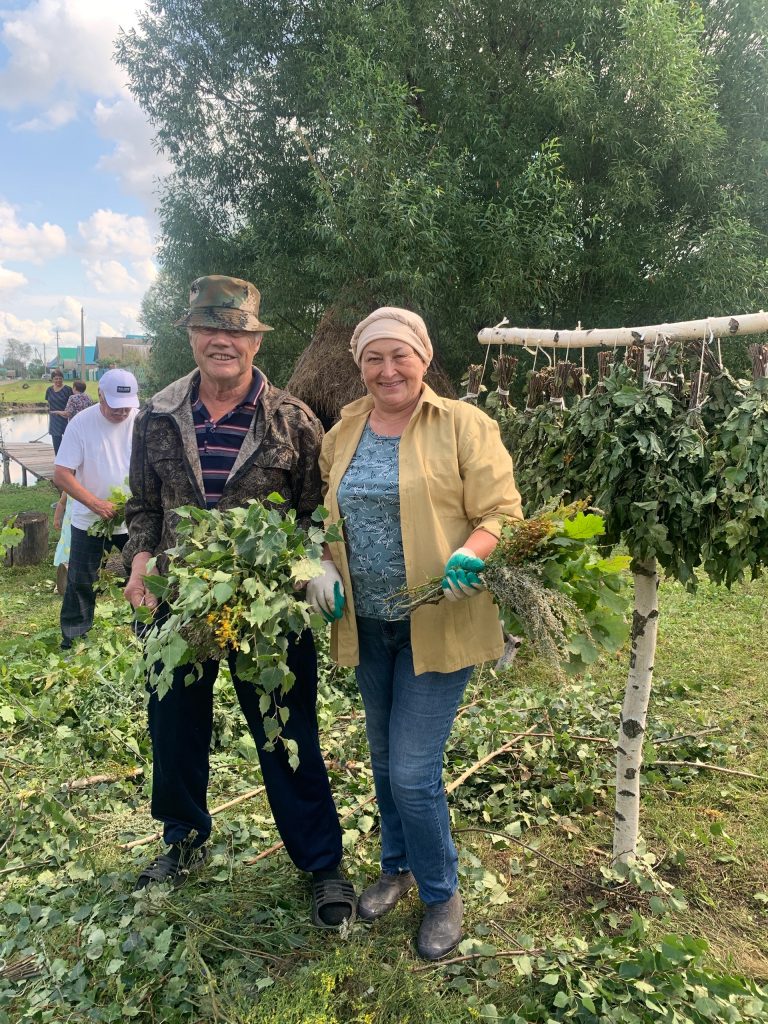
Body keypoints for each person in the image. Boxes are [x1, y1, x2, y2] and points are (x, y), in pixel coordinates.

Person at [122, 275, 355, 928]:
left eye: (236, 331)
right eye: (209, 328)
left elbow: (315, 514)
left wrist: (315, 568)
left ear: (255, 341)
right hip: (179, 602)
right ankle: (182, 839)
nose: (221, 341)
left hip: (268, 607)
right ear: (191, 336)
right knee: (174, 727)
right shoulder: (158, 415)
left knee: (288, 730)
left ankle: (321, 862)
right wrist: (139, 561)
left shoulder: (293, 420)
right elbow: (143, 507)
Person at [306, 307, 522, 960]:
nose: (388, 369)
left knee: (411, 771)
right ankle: (395, 866)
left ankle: (441, 892)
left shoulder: (463, 425)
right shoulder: (344, 430)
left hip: (439, 620)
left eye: (400, 355)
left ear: (423, 358)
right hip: (368, 624)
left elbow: (502, 513)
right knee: (382, 758)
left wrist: (473, 554)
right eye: (374, 357)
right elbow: (322, 513)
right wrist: (317, 564)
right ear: (359, 365)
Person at [53, 369, 139, 650]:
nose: (122, 412)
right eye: (116, 406)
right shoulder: (81, 424)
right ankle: (74, 638)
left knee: (143, 575)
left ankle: (148, 633)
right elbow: (62, 474)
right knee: (81, 579)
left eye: (127, 406)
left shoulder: (141, 420)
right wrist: (95, 503)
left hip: (133, 518)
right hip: (90, 518)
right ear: (100, 396)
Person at [54, 382, 96, 594]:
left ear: (74, 388)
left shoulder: (72, 399)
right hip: (73, 524)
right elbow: (62, 501)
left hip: (74, 434)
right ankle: (65, 580)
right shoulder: (89, 400)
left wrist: (57, 413)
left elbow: (68, 414)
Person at [45, 369, 73, 454]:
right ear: (52, 379)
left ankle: (69, 459)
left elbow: (73, 403)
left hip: (66, 418)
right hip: (54, 419)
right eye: (56, 378)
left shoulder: (68, 389)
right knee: (56, 442)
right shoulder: (49, 390)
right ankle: (58, 459)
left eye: (60, 378)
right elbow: (48, 402)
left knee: (69, 441)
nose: (58, 380)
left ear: (63, 379)